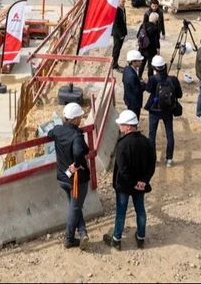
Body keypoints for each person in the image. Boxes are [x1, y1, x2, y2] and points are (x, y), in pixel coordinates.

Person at [103, 110, 156, 251]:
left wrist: (133, 183)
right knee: (140, 210)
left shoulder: (122, 145)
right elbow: (151, 164)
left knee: (121, 212)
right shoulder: (147, 142)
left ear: (128, 127)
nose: (120, 126)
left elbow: (122, 169)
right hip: (140, 185)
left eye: (122, 124)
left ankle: (116, 240)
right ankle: (140, 238)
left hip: (125, 185)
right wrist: (143, 182)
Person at [47, 103, 92, 249]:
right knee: (75, 207)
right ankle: (69, 238)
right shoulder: (76, 136)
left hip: (62, 177)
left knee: (75, 206)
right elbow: (79, 152)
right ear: (74, 119)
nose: (81, 119)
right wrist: (78, 164)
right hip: (76, 180)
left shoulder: (58, 130)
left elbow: (50, 133)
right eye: (79, 117)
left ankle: (83, 232)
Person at [144, 55, 183, 167]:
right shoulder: (173, 79)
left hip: (154, 109)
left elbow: (148, 90)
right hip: (168, 110)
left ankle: (153, 159)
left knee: (152, 134)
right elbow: (179, 95)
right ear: (165, 66)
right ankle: (169, 159)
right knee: (169, 133)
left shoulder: (152, 79)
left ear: (153, 68)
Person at [137, 13, 162, 82]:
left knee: (142, 63)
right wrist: (158, 49)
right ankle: (150, 80)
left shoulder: (143, 25)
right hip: (151, 50)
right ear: (156, 20)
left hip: (142, 48)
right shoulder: (155, 28)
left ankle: (139, 77)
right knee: (150, 66)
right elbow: (156, 40)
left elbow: (137, 35)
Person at [123, 50, 145, 120]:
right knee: (134, 119)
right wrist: (145, 84)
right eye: (139, 61)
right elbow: (138, 91)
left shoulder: (126, 69)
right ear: (133, 62)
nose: (141, 62)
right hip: (134, 103)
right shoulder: (132, 76)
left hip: (128, 98)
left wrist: (139, 81)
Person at [112, 0, 128, 70]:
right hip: (118, 34)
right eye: (122, 1)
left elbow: (123, 21)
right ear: (118, 2)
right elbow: (115, 24)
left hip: (122, 32)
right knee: (116, 49)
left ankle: (116, 63)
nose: (123, 3)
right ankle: (114, 65)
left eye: (124, 1)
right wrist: (120, 34)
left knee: (118, 49)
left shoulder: (123, 9)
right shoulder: (116, 10)